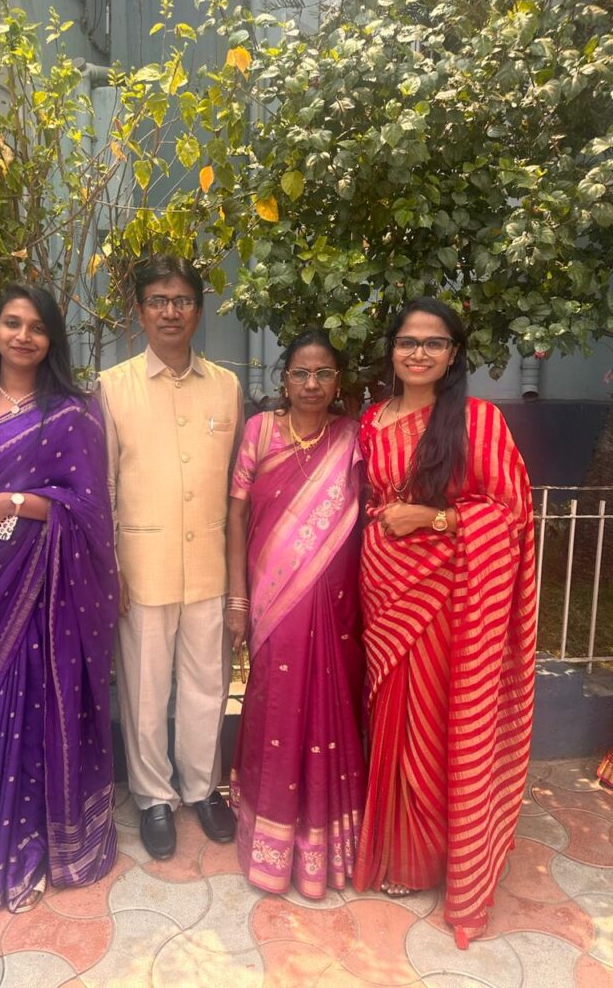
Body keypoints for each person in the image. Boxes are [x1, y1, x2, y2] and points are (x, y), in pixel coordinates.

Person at [352, 297, 537, 948]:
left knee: (430, 724)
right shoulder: (372, 420)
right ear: (392, 349)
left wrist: (433, 518)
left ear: (453, 354)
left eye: (434, 343)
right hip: (382, 589)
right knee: (388, 720)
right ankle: (391, 849)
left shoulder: (477, 421)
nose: (419, 353)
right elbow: (367, 502)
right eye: (408, 341)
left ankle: (429, 859)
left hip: (445, 596)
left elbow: (510, 511)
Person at [0, 282, 118, 913]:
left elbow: (88, 507)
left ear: (51, 339)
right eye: (12, 322)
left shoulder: (72, 411)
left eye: (37, 327)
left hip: (45, 578)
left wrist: (14, 502)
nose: (23, 336)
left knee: (41, 705)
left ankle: (40, 843)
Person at [97, 254, 243, 859]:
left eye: (182, 300)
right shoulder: (113, 387)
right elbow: (104, 486)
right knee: (145, 689)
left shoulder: (227, 386)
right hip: (142, 566)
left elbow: (236, 486)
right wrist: (112, 566)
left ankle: (203, 789)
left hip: (209, 562)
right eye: (157, 300)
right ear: (139, 311)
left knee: (209, 685)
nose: (170, 311)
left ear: (198, 311)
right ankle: (154, 796)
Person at [226, 329, 366, 899]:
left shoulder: (351, 437)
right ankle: (269, 840)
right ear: (284, 380)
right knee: (275, 701)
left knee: (330, 704)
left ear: (337, 381)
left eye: (323, 374)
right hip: (271, 599)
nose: (312, 384)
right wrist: (238, 598)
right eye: (301, 374)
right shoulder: (259, 431)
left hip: (334, 603)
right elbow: (236, 516)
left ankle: (322, 842)